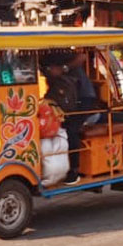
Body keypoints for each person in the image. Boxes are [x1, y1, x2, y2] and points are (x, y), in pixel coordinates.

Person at [41, 54, 84, 185]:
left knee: (71, 132)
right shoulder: (53, 82)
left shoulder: (66, 81)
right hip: (60, 110)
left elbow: (82, 56)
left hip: (80, 106)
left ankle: (74, 171)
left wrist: (64, 68)